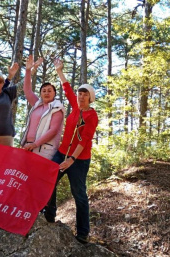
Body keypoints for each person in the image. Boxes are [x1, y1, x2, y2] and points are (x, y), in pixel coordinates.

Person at [44, 59, 98, 245]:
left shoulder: (92, 115)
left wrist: (72, 160)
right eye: (79, 94)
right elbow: (66, 87)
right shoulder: (75, 108)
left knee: (79, 194)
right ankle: (49, 215)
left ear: (90, 98)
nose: (80, 97)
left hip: (79, 159)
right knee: (49, 180)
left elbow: (85, 140)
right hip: (61, 153)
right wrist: (59, 70)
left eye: (84, 95)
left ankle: (83, 232)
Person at [21, 55, 65, 160]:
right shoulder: (37, 104)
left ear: (54, 93)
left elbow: (53, 130)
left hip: (44, 150)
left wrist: (35, 144)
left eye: (49, 91)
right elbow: (27, 90)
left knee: (37, 175)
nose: (46, 93)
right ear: (40, 93)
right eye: (44, 91)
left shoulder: (57, 107)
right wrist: (28, 70)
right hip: (28, 146)